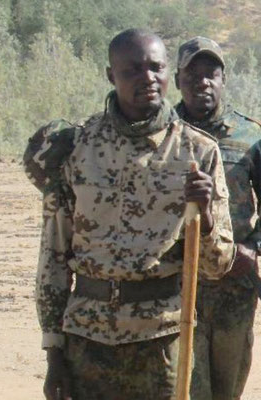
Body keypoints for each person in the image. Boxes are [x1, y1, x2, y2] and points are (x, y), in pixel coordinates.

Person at [24, 29, 235, 400]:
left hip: (164, 341)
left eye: (156, 68)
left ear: (169, 73)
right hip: (86, 341)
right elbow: (54, 256)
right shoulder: (76, 148)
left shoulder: (198, 153)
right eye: (133, 70)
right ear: (111, 75)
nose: (148, 78)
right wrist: (53, 350)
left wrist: (206, 217)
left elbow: (217, 266)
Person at [175, 36, 261, 400]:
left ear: (224, 79)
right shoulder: (162, 135)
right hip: (175, 284)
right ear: (177, 81)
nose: (202, 82)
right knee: (184, 386)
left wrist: (254, 249)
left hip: (233, 286)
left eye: (211, 74)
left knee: (226, 389)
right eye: (192, 75)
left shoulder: (250, 136)